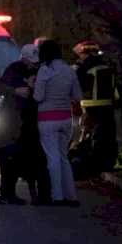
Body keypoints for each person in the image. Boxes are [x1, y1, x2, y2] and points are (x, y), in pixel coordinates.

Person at [0, 44, 50, 205]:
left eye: (36, 62)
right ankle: (6, 194)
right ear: (23, 59)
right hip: (11, 120)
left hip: (30, 120)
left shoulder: (41, 70)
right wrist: (16, 91)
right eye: (31, 62)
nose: (34, 65)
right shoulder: (14, 69)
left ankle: (35, 194)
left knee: (30, 158)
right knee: (9, 158)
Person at [33, 40, 82, 207]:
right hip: (66, 119)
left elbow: (38, 97)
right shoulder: (69, 71)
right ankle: (72, 196)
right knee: (63, 157)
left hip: (47, 119)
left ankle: (57, 196)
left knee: (52, 158)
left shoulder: (45, 70)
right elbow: (77, 96)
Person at [70, 40, 118, 178]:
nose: (80, 57)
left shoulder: (84, 67)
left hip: (91, 108)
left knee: (90, 137)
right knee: (107, 136)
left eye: (81, 54)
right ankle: (106, 163)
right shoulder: (106, 65)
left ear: (86, 53)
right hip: (107, 106)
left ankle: (91, 166)